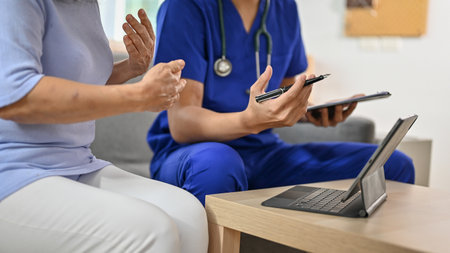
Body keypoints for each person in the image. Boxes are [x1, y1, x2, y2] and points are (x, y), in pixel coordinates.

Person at [147, 0, 415, 205]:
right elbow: (183, 124)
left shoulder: (283, 7)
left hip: (264, 154)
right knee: (218, 165)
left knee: (391, 165)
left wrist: (307, 111)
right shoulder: (184, 7)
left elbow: (283, 94)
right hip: (195, 154)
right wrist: (248, 121)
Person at [0, 1, 207, 252]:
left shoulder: (87, 4)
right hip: (13, 168)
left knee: (189, 214)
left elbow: (71, 79)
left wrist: (130, 68)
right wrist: (139, 96)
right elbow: (17, 99)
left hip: (76, 162)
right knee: (152, 232)